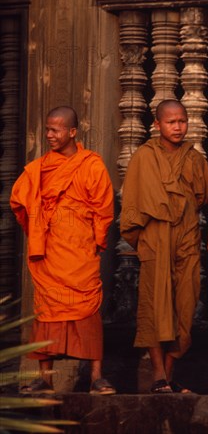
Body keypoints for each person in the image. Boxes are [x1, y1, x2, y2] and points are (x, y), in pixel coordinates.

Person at [10, 106, 116, 395]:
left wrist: (94, 242)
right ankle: (45, 379)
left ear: (72, 132)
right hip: (50, 254)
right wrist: (38, 230)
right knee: (46, 312)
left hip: (80, 252)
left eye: (56, 130)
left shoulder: (91, 165)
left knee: (88, 311)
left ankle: (96, 376)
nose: (49, 135)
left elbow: (104, 208)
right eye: (47, 129)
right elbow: (20, 202)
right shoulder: (38, 168)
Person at [120, 99, 208, 393]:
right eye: (171, 122)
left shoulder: (194, 159)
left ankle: (169, 376)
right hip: (156, 241)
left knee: (184, 308)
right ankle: (159, 375)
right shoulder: (144, 157)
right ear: (157, 124)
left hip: (186, 240)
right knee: (155, 307)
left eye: (182, 121)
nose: (178, 127)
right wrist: (150, 237)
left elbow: (200, 197)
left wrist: (180, 219)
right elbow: (132, 206)